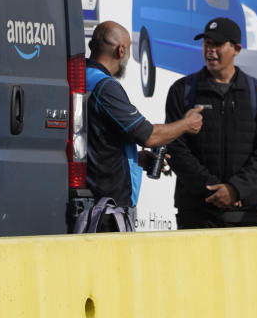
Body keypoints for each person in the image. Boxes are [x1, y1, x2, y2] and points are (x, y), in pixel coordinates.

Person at [85, 21, 203, 227]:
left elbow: (96, 142)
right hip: (107, 207)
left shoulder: (83, 78)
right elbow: (148, 136)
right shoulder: (105, 86)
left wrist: (134, 159)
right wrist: (186, 124)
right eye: (129, 51)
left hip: (92, 199)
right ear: (121, 50)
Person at [164, 17, 257, 229]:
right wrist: (212, 190)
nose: (210, 50)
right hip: (197, 212)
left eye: (217, 44)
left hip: (245, 212)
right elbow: (175, 147)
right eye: (206, 43)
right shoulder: (182, 90)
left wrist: (235, 189)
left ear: (236, 48)